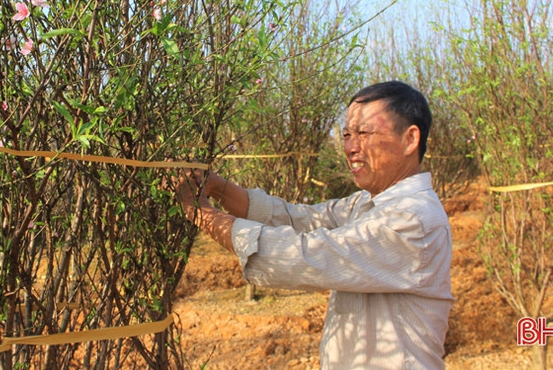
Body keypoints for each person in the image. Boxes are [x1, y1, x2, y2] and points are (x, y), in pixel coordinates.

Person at [175, 80, 453, 369]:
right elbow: (299, 220)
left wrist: (199, 212)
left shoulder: (412, 220)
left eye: (363, 133)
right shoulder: (365, 204)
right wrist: (217, 187)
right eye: (346, 134)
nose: (350, 147)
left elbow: (308, 255)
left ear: (410, 139)